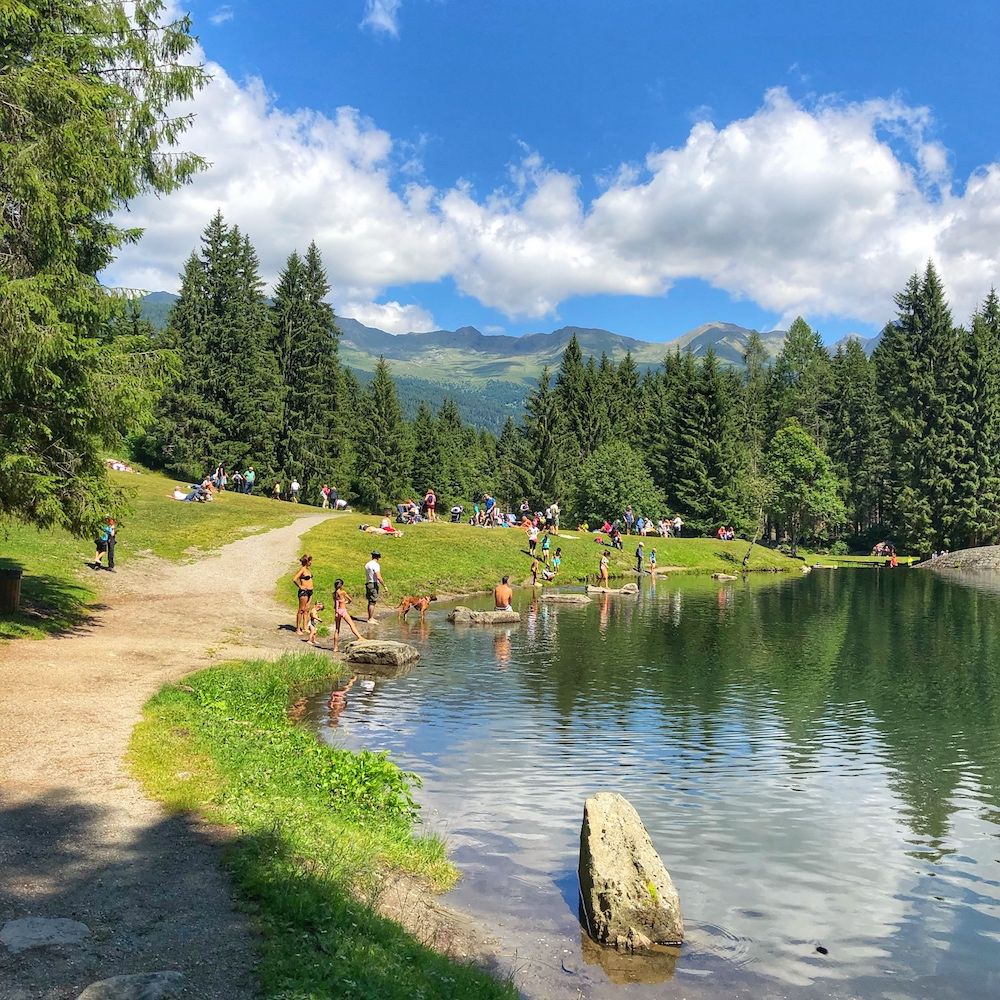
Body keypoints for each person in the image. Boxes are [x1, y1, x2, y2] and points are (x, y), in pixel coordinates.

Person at [332, 579, 363, 651]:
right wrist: (346, 602)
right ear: (341, 585)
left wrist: (336, 612)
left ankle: (335, 647)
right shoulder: (343, 592)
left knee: (337, 629)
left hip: (337, 611)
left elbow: (336, 603)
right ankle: (359, 637)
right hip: (343, 611)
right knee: (351, 624)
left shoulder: (334, 594)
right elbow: (350, 599)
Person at [292, 554, 314, 634]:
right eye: (310, 560)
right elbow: (294, 579)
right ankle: (298, 629)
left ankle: (305, 627)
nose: (311, 562)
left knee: (306, 610)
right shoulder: (302, 570)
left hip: (310, 592)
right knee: (301, 610)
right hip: (304, 592)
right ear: (306, 561)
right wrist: (300, 586)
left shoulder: (308, 570)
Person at [364, 550, 387, 622]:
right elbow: (379, 577)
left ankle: (370, 617)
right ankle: (370, 619)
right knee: (373, 602)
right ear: (378, 557)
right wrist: (384, 586)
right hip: (373, 584)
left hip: (368, 583)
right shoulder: (376, 565)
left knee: (370, 601)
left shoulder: (367, 564)